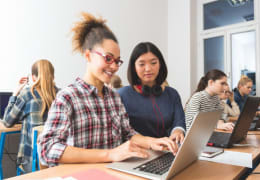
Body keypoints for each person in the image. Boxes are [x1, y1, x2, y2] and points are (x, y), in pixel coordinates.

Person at [38, 12, 177, 167]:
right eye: (108, 58)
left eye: (118, 61)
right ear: (88, 55)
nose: (114, 67)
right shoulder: (68, 97)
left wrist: (152, 142)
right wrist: (110, 154)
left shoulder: (114, 97)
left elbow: (128, 134)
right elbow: (47, 149)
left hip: (114, 172)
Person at [118, 42, 185, 144]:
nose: (148, 68)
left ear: (160, 64)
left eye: (153, 63)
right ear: (134, 67)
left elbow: (179, 121)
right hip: (138, 153)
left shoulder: (172, 94)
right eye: (141, 64)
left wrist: (178, 131)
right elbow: (123, 132)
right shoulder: (122, 95)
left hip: (167, 150)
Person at [1, 59, 57, 173]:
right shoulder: (61, 95)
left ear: (33, 77)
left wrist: (15, 94)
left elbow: (7, 122)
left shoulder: (27, 94)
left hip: (34, 163)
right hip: (56, 161)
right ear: (53, 76)